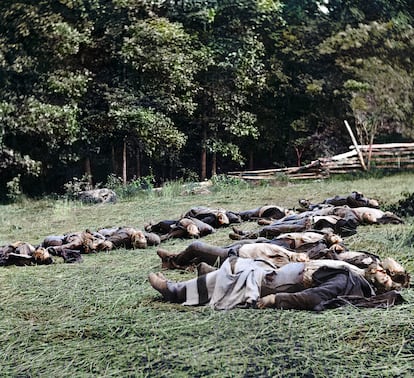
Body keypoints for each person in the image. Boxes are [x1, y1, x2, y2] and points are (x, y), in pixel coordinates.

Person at [148, 256, 405, 311]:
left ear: (380, 284)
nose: (381, 271)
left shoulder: (348, 281)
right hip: (276, 273)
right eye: (383, 270)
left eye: (385, 276)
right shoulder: (355, 273)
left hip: (270, 284)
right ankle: (202, 275)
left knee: (228, 275)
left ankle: (174, 290)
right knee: (236, 265)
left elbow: (314, 296)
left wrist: (275, 300)